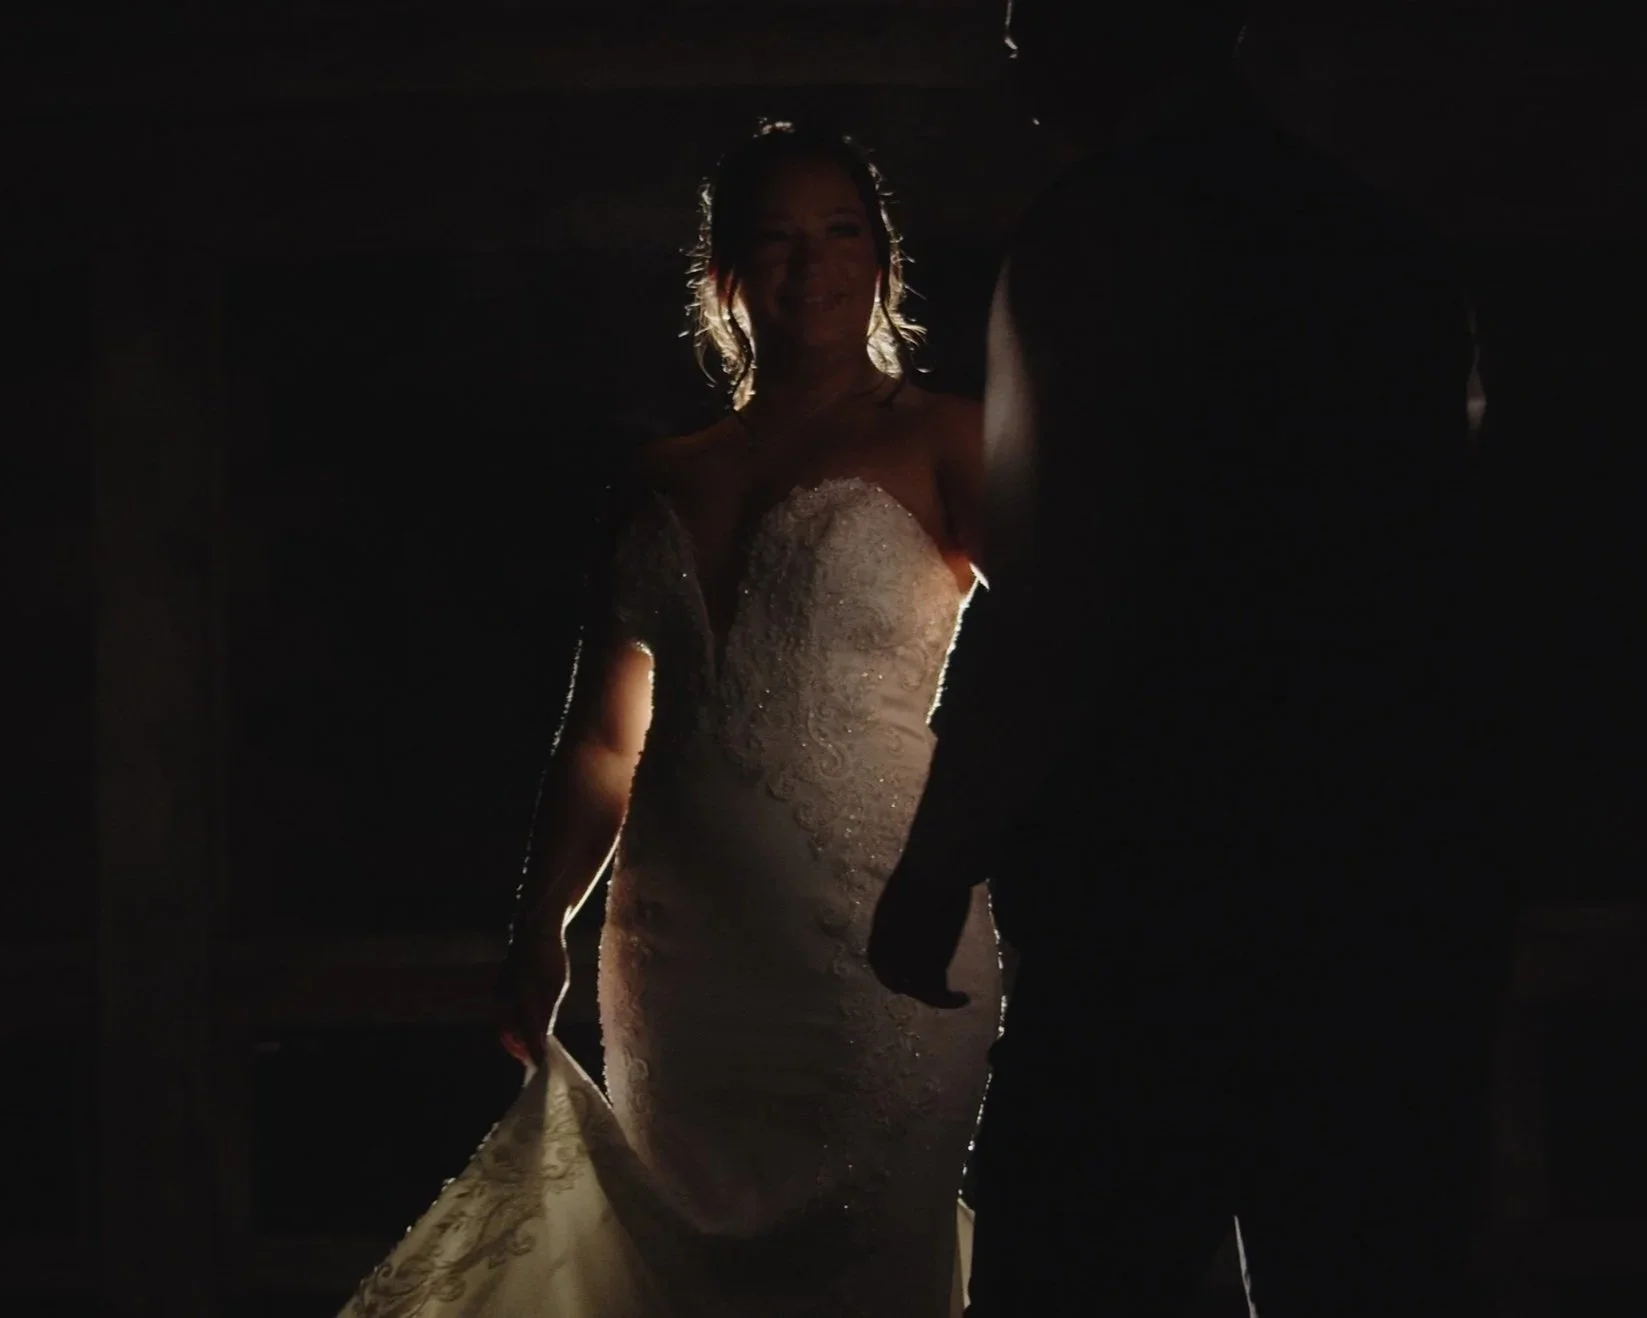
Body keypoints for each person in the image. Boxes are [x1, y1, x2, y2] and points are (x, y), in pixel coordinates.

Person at [870, 2, 1511, 1315]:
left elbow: (1052, 591)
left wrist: (936, 859)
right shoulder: (1388, 250)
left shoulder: (1096, 232)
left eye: (1025, 21)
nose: (1010, 55)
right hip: (1389, 878)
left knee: (1073, 1266)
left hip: (1155, 882)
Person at [340, 121, 1002, 1318]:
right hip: (681, 960)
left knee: (867, 1261)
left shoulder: (943, 436)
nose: (814, 268)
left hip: (882, 932)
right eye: (777, 241)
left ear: (882, 257)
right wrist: (539, 924)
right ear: (725, 276)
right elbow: (603, 738)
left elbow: (1050, 644)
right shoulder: (661, 475)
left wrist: (963, 848)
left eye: (842, 232)